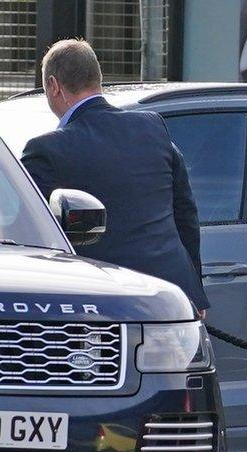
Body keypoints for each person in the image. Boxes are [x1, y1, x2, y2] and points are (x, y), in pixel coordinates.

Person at [22, 39, 209, 317]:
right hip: (174, 296)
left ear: (53, 85)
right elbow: (185, 212)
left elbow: (28, 227)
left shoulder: (46, 150)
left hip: (103, 303)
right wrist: (194, 292)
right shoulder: (152, 128)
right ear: (98, 79)